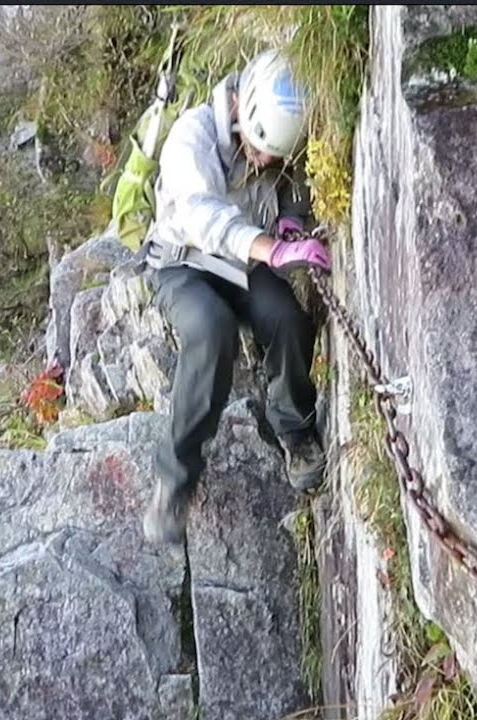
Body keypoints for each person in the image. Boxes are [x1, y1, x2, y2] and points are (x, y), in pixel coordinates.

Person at [138, 48, 333, 546]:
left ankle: (295, 430)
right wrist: (272, 250)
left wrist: (290, 219)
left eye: (273, 155)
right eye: (261, 149)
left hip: (243, 263)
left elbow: (292, 180)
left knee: (287, 319)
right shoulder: (192, 137)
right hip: (184, 264)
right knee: (211, 329)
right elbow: (201, 216)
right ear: (240, 113)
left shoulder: (277, 132)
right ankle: (175, 480)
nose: (264, 161)